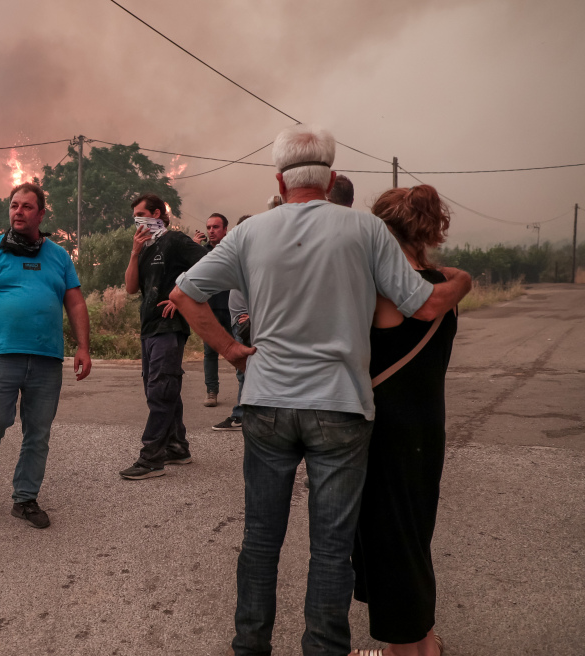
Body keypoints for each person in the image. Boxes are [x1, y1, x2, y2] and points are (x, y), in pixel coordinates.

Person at [167, 124, 472, 656]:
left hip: (266, 404)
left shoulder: (248, 233)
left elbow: (186, 294)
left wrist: (233, 350)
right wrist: (461, 282)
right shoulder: (365, 231)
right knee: (330, 548)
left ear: (280, 181)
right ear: (330, 180)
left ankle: (250, 647)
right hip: (340, 407)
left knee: (261, 540)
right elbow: (422, 305)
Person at [350, 185, 457, 656]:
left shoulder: (381, 286)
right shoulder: (440, 282)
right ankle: (420, 644)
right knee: (413, 534)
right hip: (426, 423)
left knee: (391, 540)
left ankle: (414, 653)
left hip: (386, 427)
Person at [0, 182, 91, 529]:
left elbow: (74, 302)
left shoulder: (59, 256)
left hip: (47, 358)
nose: (18, 211)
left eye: (27, 207)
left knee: (38, 432)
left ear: (41, 214)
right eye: (14, 205)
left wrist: (83, 346)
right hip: (1, 354)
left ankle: (25, 498)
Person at [118, 193, 207, 479]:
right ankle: (177, 446)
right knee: (160, 389)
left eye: (142, 215)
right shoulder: (145, 248)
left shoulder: (176, 241)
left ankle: (151, 457)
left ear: (157, 213)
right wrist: (134, 252)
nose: (138, 222)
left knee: (161, 391)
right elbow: (131, 288)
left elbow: (209, 266)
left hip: (170, 328)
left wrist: (180, 297)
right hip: (149, 328)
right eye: (135, 218)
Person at [213, 215, 253, 432]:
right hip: (238, 322)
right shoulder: (242, 256)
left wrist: (253, 316)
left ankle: (241, 415)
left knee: (245, 370)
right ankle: (244, 414)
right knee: (243, 371)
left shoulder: (254, 259)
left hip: (246, 324)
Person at [201, 213, 233, 408]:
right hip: (210, 309)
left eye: (215, 227)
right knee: (210, 353)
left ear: (225, 230)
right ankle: (211, 391)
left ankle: (246, 392)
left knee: (239, 351)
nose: (211, 231)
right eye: (209, 227)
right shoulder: (200, 252)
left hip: (232, 308)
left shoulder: (232, 249)